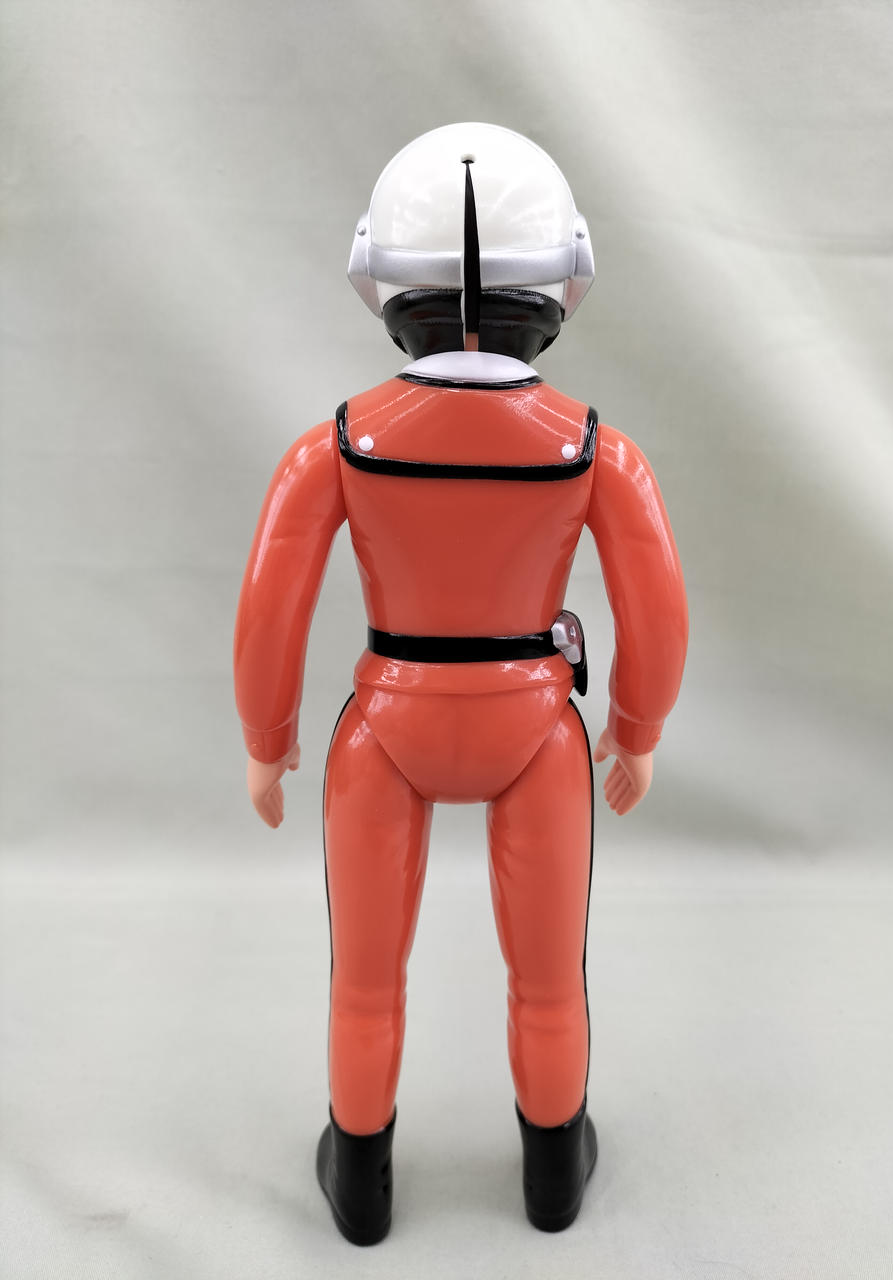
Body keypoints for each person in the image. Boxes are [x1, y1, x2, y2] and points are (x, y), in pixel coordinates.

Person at [234, 122, 688, 1245]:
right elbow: (656, 605)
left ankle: (360, 1180)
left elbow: (272, 602)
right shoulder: (597, 450)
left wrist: (267, 737)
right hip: (536, 725)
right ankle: (553, 1173)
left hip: (386, 720)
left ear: (382, 278)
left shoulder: (336, 445)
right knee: (548, 978)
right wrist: (635, 727)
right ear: (564, 280)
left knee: (364, 980)